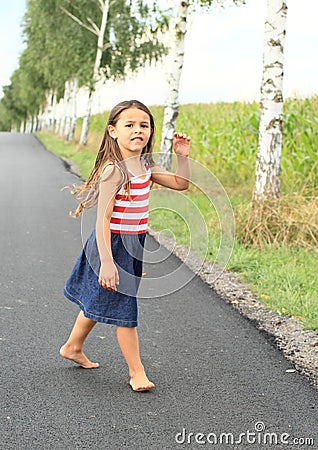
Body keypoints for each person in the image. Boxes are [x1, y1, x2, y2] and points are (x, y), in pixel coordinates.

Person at [60, 99, 190, 392]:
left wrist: (182, 157)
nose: (137, 130)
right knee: (124, 309)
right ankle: (137, 372)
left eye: (144, 125)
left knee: (102, 298)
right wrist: (106, 261)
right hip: (113, 245)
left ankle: (72, 346)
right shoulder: (114, 171)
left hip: (134, 243)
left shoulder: (145, 164)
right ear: (112, 131)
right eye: (129, 125)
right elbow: (102, 220)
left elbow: (181, 184)